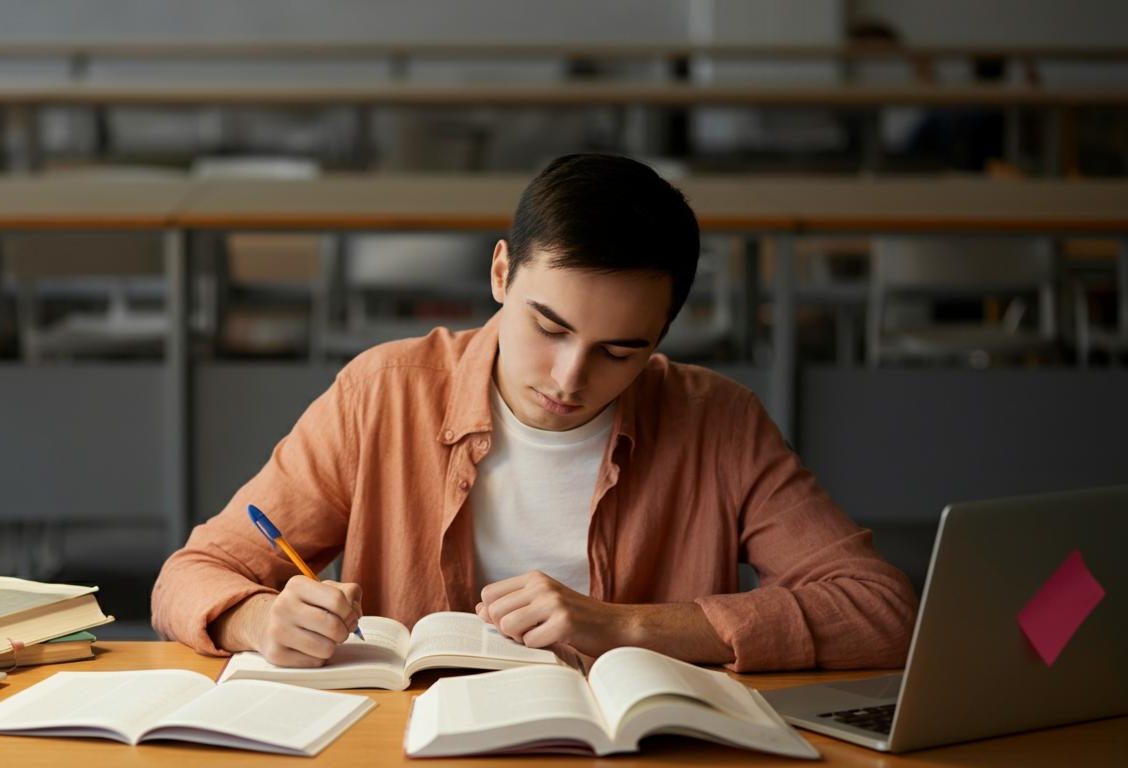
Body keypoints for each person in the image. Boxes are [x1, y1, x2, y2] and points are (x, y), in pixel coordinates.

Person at [152, 154, 916, 672]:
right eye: (548, 327)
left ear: (661, 335)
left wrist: (627, 626)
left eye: (620, 351)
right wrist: (260, 622)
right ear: (500, 273)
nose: (569, 378)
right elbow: (190, 575)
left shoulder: (719, 420)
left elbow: (881, 611)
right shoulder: (383, 392)